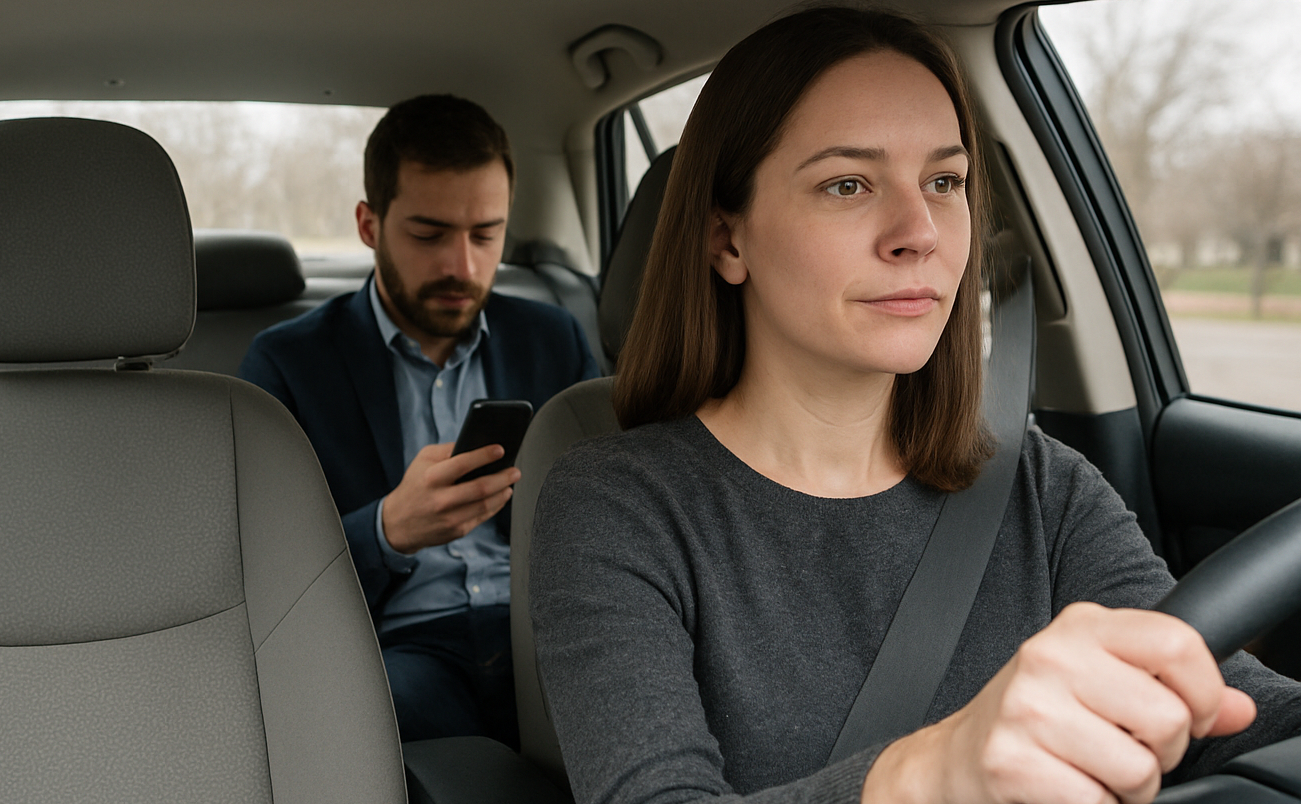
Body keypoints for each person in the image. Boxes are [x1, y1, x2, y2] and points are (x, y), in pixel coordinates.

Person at [528, 8, 1301, 804]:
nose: (920, 231)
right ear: (728, 240)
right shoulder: (613, 503)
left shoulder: (1038, 485)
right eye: (848, 184)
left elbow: (1237, 711)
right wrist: (930, 773)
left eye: (944, 181)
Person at [240, 94, 599, 747]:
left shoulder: (553, 338)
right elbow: (257, 566)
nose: (461, 267)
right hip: (403, 648)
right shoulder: (289, 363)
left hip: (546, 632)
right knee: (377, 719)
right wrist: (387, 531)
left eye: (486, 235)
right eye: (429, 235)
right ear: (369, 225)